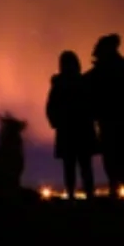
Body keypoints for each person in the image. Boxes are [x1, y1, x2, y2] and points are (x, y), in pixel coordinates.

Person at [84, 34, 124, 199]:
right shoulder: (118, 66)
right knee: (115, 152)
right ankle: (122, 188)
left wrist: (120, 99)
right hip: (113, 117)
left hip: (114, 117)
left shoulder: (113, 68)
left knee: (120, 152)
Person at [46, 51, 97, 200]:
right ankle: (87, 197)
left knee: (72, 167)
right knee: (84, 166)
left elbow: (51, 108)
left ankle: (73, 197)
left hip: (69, 131)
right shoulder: (83, 82)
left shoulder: (59, 85)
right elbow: (93, 103)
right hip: (82, 130)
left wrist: (57, 122)